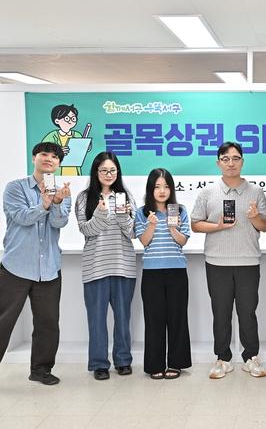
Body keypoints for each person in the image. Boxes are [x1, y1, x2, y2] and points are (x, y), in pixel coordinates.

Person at [191, 142, 266, 379]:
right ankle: (223, 358)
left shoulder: (256, 192)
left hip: (248, 261)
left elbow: (264, 226)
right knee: (221, 312)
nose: (231, 163)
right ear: (218, 163)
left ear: (242, 162)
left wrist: (255, 217)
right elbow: (195, 224)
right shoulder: (207, 192)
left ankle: (251, 357)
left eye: (236, 158)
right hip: (217, 262)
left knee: (248, 312)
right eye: (225, 159)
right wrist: (217, 226)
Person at [0, 143, 71, 385]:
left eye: (54, 156)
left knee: (47, 323)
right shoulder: (15, 187)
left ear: (59, 164)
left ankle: (41, 370)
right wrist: (44, 204)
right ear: (34, 158)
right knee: (3, 321)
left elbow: (59, 224)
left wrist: (57, 202)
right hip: (16, 267)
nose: (49, 159)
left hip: (49, 268)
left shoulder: (62, 191)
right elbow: (21, 217)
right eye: (44, 154)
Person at [75, 152, 136, 381]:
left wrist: (123, 216)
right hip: (95, 266)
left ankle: (123, 360)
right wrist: (100, 213)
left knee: (123, 318)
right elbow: (86, 230)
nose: (109, 174)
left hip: (123, 265)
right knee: (97, 320)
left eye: (112, 170)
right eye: (104, 171)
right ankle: (99, 364)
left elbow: (132, 232)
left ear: (118, 172)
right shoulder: (84, 198)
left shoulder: (126, 196)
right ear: (96, 172)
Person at [135, 168, 192, 380]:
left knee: (177, 318)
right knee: (154, 320)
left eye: (166, 186)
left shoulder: (180, 210)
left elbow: (183, 241)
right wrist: (151, 224)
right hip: (152, 272)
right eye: (157, 186)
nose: (162, 191)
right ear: (150, 189)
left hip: (176, 271)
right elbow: (144, 241)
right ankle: (154, 364)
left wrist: (172, 227)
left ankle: (176, 363)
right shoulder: (142, 213)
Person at [40, 104, 87, 176]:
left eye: (73, 118)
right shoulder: (52, 136)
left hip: (75, 172)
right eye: (67, 118)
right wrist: (58, 152)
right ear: (57, 120)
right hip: (57, 174)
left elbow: (81, 150)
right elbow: (42, 152)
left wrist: (86, 146)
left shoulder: (77, 135)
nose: (70, 121)